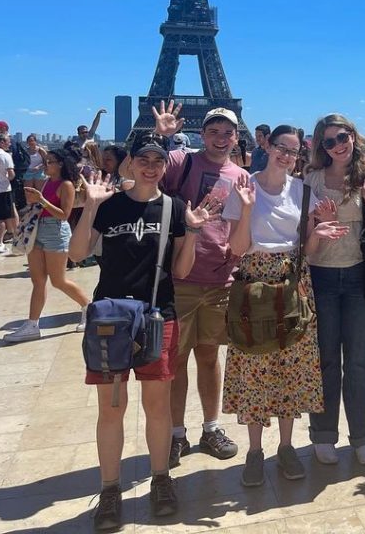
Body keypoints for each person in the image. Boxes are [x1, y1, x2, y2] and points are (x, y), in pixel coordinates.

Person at [68, 132, 216, 530]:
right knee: (111, 410)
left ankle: (161, 480)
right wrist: (90, 208)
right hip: (111, 320)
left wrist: (195, 233)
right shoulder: (108, 206)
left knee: (157, 407)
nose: (151, 166)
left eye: (158, 160)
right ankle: (111, 488)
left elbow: (181, 272)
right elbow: (77, 254)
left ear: (165, 166)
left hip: (157, 316)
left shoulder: (175, 208)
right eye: (143, 159)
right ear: (130, 163)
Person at [221, 125, 347, 487]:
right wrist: (246, 211)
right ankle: (256, 451)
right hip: (254, 281)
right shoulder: (244, 187)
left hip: (293, 281)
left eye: (294, 152)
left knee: (291, 369)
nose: (287, 156)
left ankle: (287, 447)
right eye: (282, 148)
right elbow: (238, 249)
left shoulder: (302, 191)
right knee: (255, 366)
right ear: (268, 146)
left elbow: (305, 249)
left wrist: (318, 234)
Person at [147, 101, 247, 469]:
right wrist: (160, 136)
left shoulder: (240, 174)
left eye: (227, 132)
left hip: (221, 278)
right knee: (176, 360)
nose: (221, 138)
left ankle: (210, 427)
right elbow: (142, 171)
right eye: (214, 131)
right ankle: (176, 433)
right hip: (181, 276)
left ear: (236, 137)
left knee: (209, 356)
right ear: (202, 134)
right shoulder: (180, 161)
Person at [303, 114, 365, 465]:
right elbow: (303, 237)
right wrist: (317, 222)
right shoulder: (311, 180)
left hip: (361, 278)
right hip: (322, 278)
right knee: (325, 361)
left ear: (353, 137)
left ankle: (362, 435)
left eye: (341, 137)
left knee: (360, 361)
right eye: (328, 142)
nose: (337, 145)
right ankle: (324, 434)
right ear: (320, 147)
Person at [3, 150, 91, 343]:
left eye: (50, 162)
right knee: (38, 280)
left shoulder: (65, 185)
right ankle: (32, 324)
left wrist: (41, 200)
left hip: (55, 231)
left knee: (58, 281)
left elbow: (64, 214)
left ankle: (88, 307)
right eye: (46, 161)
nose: (46, 165)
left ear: (60, 164)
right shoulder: (47, 182)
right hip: (38, 230)